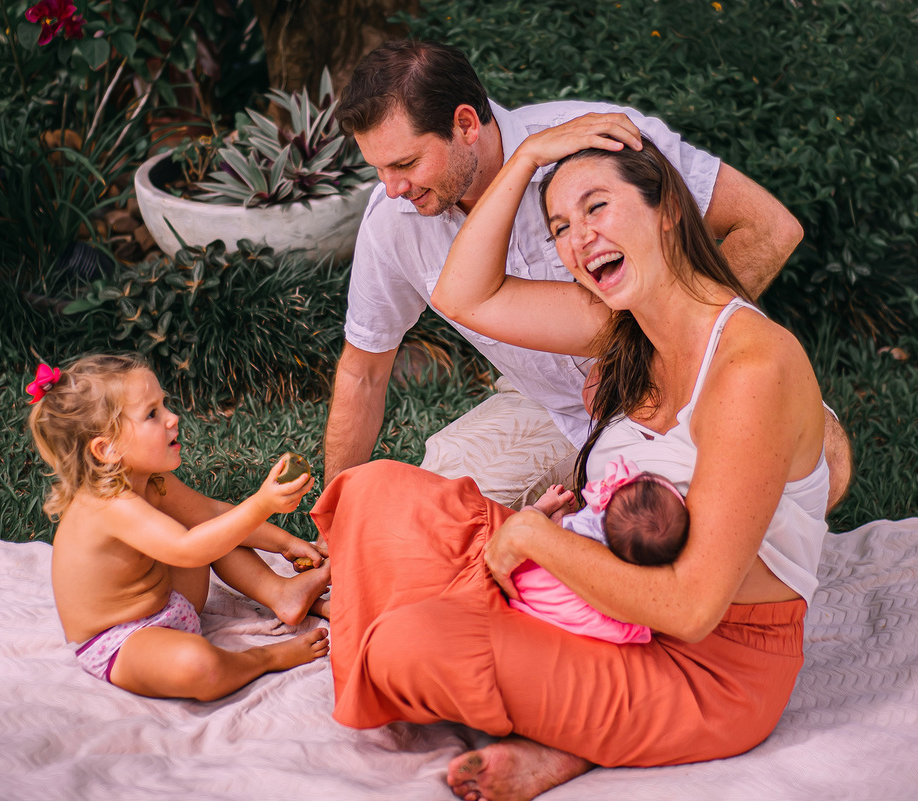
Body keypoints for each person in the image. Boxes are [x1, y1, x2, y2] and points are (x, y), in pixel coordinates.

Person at [312, 132, 830, 800]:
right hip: (589, 600)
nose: (579, 238)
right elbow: (465, 295)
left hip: (705, 666)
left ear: (667, 209)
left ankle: (569, 735)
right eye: (559, 225)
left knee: (406, 646)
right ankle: (549, 692)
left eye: (597, 208)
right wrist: (528, 156)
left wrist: (533, 538)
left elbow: (693, 607)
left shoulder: (751, 368)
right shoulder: (623, 325)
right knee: (369, 492)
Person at [323, 40, 851, 511]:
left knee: (809, 463)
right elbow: (362, 373)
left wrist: (659, 351)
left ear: (465, 124)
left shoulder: (599, 144)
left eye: (406, 164)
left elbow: (767, 227)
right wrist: (335, 520)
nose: (392, 188)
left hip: (679, 380)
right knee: (430, 517)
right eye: (379, 169)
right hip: (553, 411)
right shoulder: (391, 222)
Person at [26, 354, 331, 701]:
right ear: (107, 448)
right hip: (124, 642)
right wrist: (261, 504)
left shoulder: (152, 480)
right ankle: (264, 658)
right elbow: (188, 550)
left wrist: (286, 544)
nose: (173, 418)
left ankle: (283, 594)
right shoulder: (108, 505)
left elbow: (210, 514)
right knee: (198, 666)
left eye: (164, 405)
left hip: (171, 603)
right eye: (152, 414)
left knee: (212, 525)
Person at [509, 457, 689, 645]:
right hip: (560, 604)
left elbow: (537, 534)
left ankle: (542, 508)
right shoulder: (628, 573)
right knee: (631, 625)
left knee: (529, 523)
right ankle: (555, 519)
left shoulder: (589, 528)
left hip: (529, 576)